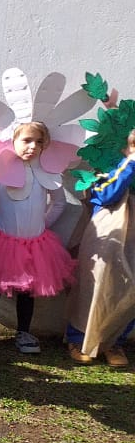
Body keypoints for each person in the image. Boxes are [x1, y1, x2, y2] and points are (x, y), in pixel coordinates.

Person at [0, 121, 75, 355]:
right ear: (13, 142)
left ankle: (23, 332)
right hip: (2, 242)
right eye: (26, 140)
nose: (32, 146)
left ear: (45, 146)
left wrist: (43, 225)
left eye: (39, 142)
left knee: (27, 292)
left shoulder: (49, 175)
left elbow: (59, 202)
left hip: (36, 245)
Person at [66, 125, 135, 366]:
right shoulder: (110, 173)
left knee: (129, 291)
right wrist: (131, 162)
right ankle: (78, 338)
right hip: (107, 238)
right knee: (94, 286)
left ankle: (113, 341)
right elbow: (106, 195)